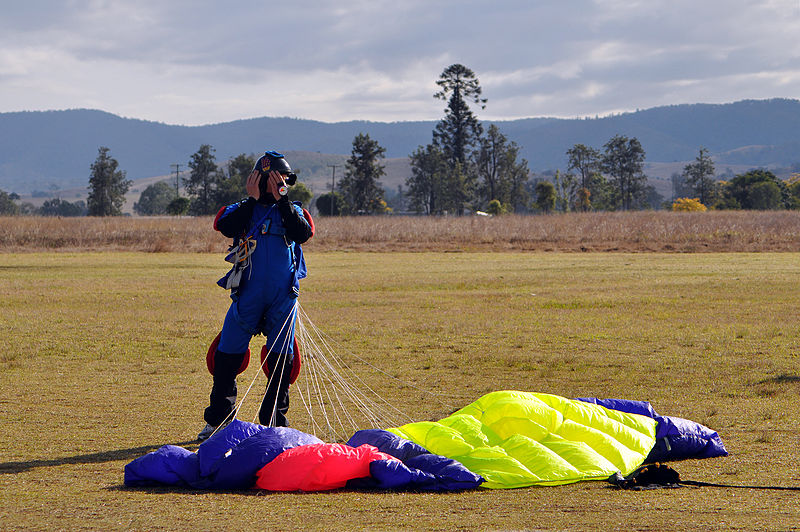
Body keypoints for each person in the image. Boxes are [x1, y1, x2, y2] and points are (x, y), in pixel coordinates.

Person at [198, 150, 314, 441]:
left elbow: (302, 233)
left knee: (280, 361)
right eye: (274, 180)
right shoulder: (244, 209)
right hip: (246, 297)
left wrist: (282, 199)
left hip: (282, 299)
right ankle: (219, 420)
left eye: (284, 180)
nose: (280, 184)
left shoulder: (292, 210)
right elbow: (225, 226)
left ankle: (274, 423)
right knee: (226, 357)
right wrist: (252, 199)